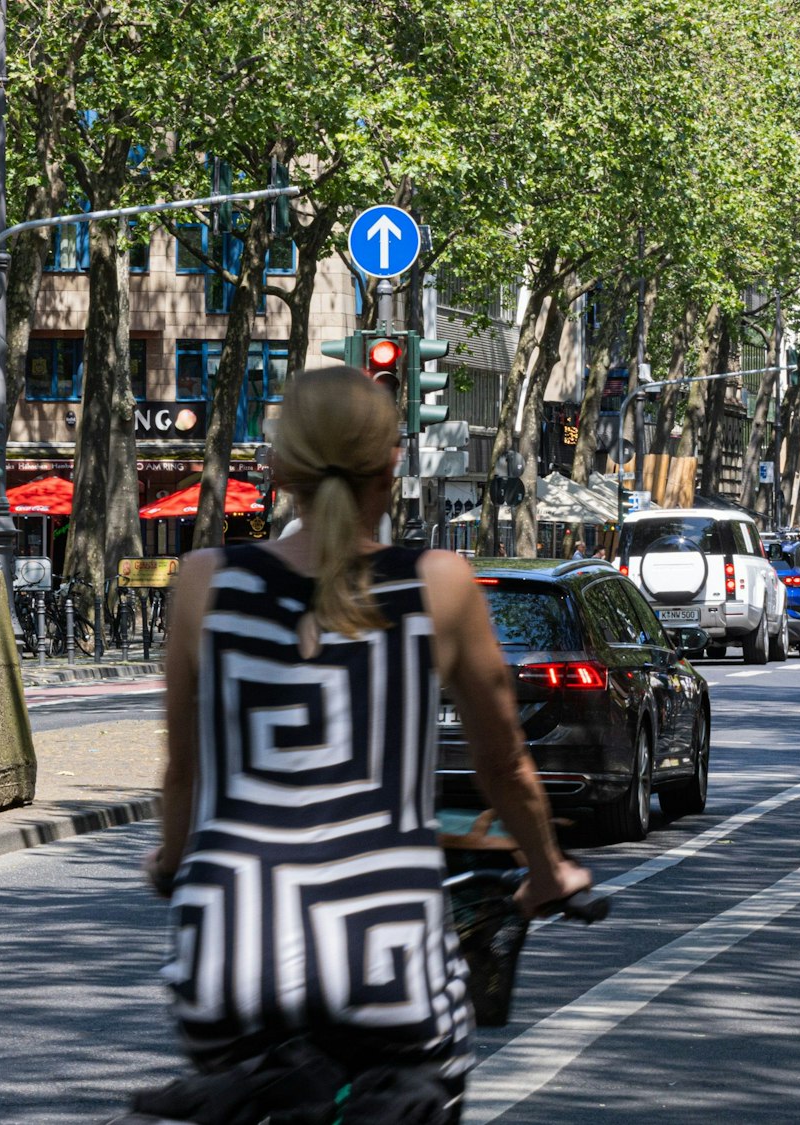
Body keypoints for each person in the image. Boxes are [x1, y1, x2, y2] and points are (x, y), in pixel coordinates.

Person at [146, 365, 588, 1102]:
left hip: (228, 955)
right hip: (385, 960)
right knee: (425, 1083)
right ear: (392, 464)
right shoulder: (439, 583)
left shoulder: (204, 580)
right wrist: (549, 870)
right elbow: (502, 762)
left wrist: (170, 859)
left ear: (281, 467)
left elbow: (182, 774)